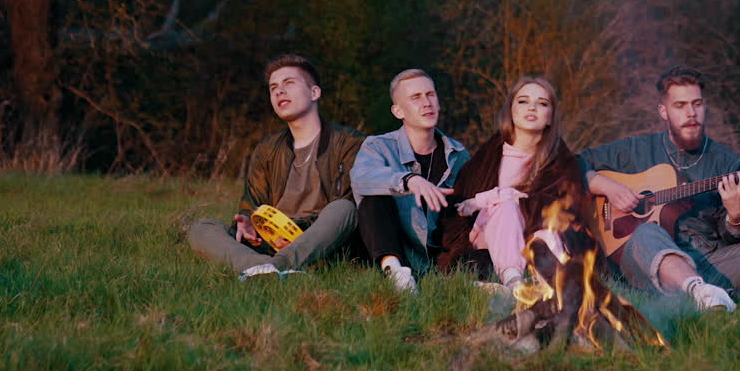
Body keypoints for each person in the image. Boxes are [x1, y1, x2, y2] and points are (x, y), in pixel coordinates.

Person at [578, 65, 740, 314]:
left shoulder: (726, 162)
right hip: (648, 261)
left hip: (712, 262)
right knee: (646, 231)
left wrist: (736, 216)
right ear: (663, 111)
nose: (691, 113)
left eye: (697, 104)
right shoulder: (636, 151)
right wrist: (607, 186)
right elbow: (570, 163)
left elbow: (734, 239)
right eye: (680, 105)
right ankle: (698, 293)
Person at [188, 54, 363, 279]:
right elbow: (252, 204)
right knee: (202, 228)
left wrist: (297, 234)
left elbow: (350, 205)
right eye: (273, 88)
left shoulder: (350, 142)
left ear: (314, 93)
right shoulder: (267, 149)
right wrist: (248, 223)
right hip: (271, 240)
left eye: (289, 83)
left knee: (343, 209)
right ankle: (262, 266)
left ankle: (275, 266)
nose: (279, 91)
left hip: (321, 241)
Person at [437, 76, 592, 291]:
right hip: (491, 235)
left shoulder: (560, 162)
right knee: (507, 207)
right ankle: (514, 280)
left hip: (535, 237)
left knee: (545, 231)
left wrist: (489, 198)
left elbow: (561, 210)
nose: (532, 107)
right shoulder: (489, 155)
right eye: (523, 101)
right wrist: (505, 200)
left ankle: (552, 286)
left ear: (550, 117)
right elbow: (461, 206)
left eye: (542, 103)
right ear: (511, 110)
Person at [350, 68, 469, 293]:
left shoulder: (458, 154)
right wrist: (409, 180)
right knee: (374, 198)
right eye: (416, 97)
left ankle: (474, 280)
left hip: (441, 256)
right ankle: (397, 275)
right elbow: (360, 178)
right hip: (395, 249)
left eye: (431, 94)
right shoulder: (378, 146)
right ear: (398, 111)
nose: (427, 103)